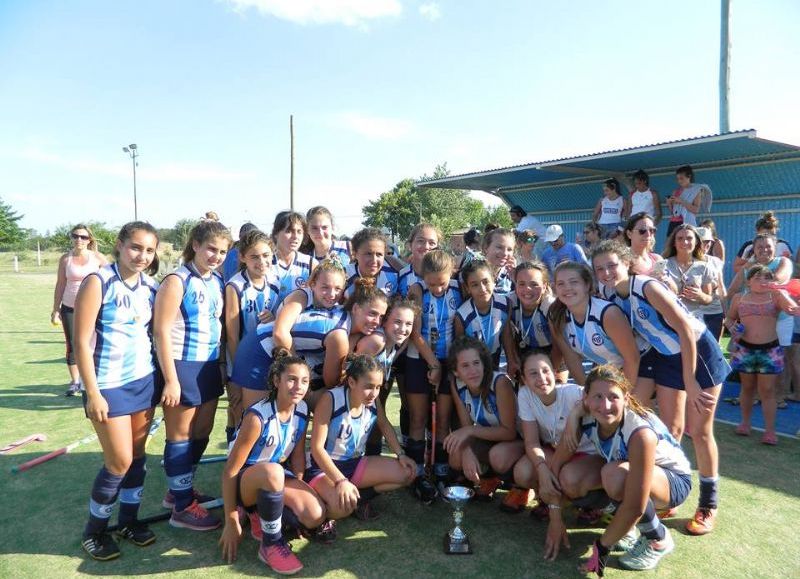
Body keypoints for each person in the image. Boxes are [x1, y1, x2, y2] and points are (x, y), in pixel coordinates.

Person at [590, 240, 730, 536]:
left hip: (698, 353)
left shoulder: (648, 287)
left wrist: (690, 381)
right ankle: (670, 491)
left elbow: (684, 329)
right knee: (671, 429)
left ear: (627, 262)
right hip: (665, 357)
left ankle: (708, 504)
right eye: (599, 268)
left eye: (612, 265)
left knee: (701, 431)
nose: (606, 272)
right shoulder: (608, 293)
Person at [74, 222, 160, 561]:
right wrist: (92, 392)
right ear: (120, 246)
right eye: (135, 247)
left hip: (144, 381)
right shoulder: (98, 281)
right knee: (119, 461)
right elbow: (81, 342)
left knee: (137, 458)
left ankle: (128, 521)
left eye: (149, 250)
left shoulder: (150, 286)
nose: (141, 255)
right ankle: (94, 531)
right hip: (108, 385)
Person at [575, 365, 692, 574]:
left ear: (626, 398)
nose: (605, 405)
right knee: (578, 476)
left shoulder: (640, 433)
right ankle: (627, 527)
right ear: (585, 397)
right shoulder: (586, 416)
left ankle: (659, 539)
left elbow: (636, 504)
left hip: (674, 480)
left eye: (614, 397)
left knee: (614, 475)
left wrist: (602, 546)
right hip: (633, 473)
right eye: (598, 396)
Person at [153, 220, 232, 531]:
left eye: (223, 251)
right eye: (211, 248)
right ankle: (182, 508)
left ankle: (179, 491)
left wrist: (222, 365)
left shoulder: (215, 281)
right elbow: (160, 330)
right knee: (180, 436)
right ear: (196, 245)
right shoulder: (177, 280)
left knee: (202, 431)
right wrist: (171, 379)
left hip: (209, 364)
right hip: (182, 364)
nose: (216, 256)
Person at [220, 353, 326, 575]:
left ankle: (264, 512)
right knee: (273, 471)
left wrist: (293, 501)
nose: (299, 386)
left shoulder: (303, 410)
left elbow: (297, 457)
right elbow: (230, 471)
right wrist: (230, 519)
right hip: (245, 482)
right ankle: (270, 543)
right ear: (277, 381)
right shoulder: (257, 417)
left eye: (304, 381)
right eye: (292, 379)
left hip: (274, 477)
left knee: (314, 515)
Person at [512, 349, 604, 557]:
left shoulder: (573, 393)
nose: (542, 378)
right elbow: (532, 442)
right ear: (524, 379)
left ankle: (598, 505)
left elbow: (602, 399)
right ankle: (553, 500)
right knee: (524, 471)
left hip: (590, 457)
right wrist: (542, 469)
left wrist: (576, 415)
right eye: (533, 373)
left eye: (545, 370)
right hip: (561, 455)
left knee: (568, 478)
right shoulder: (525, 395)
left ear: (555, 373)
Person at [306, 355, 416, 524]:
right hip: (323, 467)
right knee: (341, 508)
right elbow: (317, 448)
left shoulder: (372, 401)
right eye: (369, 387)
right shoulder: (331, 399)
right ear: (351, 382)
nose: (374, 393)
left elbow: (384, 424)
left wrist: (400, 454)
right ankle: (325, 507)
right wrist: (340, 480)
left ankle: (359, 498)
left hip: (354, 463)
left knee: (407, 473)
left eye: (378, 387)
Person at [406, 250, 463, 502]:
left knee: (443, 419)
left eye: (442, 282)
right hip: (420, 359)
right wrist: (433, 365)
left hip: (449, 360)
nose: (437, 288)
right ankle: (417, 473)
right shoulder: (417, 290)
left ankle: (441, 472)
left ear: (450, 274)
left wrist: (446, 366)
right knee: (418, 417)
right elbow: (414, 334)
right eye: (432, 283)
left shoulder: (458, 289)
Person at [726, 265, 798, 445]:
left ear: (772, 281)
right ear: (748, 281)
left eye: (767, 277)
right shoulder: (739, 298)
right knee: (747, 388)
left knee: (767, 391)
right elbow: (729, 318)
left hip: (770, 350)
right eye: (757, 277)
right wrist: (731, 326)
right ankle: (745, 423)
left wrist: (791, 300)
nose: (762, 281)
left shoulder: (776, 296)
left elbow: (791, 309)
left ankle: (770, 431)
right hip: (745, 349)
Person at [443, 337, 517, 501]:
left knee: (499, 456)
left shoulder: (500, 383)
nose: (473, 370)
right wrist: (467, 451)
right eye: (465, 366)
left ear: (484, 363)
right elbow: (466, 425)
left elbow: (510, 432)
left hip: (518, 441)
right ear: (456, 371)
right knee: (456, 453)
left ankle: (521, 487)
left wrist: (469, 431)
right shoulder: (457, 384)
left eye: (476, 363)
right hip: (491, 438)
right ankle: (489, 478)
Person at [223, 229, 280, 441]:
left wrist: (274, 316)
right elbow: (231, 334)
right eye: (254, 257)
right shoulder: (235, 286)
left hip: (267, 358)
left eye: (266, 255)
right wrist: (238, 373)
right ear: (242, 257)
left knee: (266, 411)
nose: (262, 261)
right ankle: (235, 457)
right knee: (240, 411)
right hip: (241, 360)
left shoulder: (275, 281)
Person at [547, 262, 640, 386]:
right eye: (561, 284)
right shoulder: (557, 316)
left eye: (574, 282)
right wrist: (586, 391)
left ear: (587, 285)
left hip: (640, 367)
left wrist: (625, 395)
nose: (567, 287)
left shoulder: (607, 313)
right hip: (611, 372)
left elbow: (632, 359)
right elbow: (572, 359)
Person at [354, 296, 418, 456]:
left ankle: (371, 458)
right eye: (397, 322)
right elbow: (348, 371)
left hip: (364, 398)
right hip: (348, 402)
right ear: (384, 322)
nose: (403, 328)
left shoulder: (397, 342)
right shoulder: (377, 341)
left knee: (377, 419)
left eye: (408, 324)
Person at [52, 224, 108, 395]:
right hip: (70, 308)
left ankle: (95, 379)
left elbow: (111, 279)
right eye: (75, 236)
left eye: (83, 237)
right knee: (73, 344)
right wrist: (56, 309)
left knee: (96, 343)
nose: (79, 240)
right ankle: (75, 381)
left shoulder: (98, 258)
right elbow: (61, 284)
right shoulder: (65, 259)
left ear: (89, 239)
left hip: (94, 308)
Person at [503, 262, 562, 382]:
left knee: (555, 391)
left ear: (545, 286)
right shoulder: (508, 302)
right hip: (524, 350)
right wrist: (512, 360)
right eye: (521, 284)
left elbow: (559, 346)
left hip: (551, 350)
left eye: (534, 284)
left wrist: (551, 371)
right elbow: (506, 334)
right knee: (523, 391)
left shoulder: (551, 307)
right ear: (515, 284)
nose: (527, 289)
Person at [663, 224, 724, 340]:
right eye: (680, 238)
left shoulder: (704, 267)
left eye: (689, 238)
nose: (685, 242)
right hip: (668, 320)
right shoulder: (664, 264)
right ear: (674, 243)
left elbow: (708, 299)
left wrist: (700, 295)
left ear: (696, 242)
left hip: (694, 320)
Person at [454, 260, 510, 369]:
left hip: (495, 358)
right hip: (472, 364)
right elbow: (459, 347)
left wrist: (511, 360)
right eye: (475, 285)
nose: (482, 289)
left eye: (486, 282)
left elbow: (507, 335)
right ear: (467, 288)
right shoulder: (462, 315)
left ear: (494, 280)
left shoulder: (505, 304)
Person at [344, 228, 399, 298]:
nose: (374, 260)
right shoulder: (344, 275)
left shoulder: (394, 276)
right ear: (355, 254)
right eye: (368, 254)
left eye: (379, 254)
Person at [271, 211, 312, 303]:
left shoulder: (311, 263)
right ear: (276, 234)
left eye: (299, 231)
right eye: (289, 231)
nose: (295, 236)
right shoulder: (265, 263)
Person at [665, 165, 709, 237]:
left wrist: (681, 201)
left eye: (681, 178)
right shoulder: (675, 192)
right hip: (673, 222)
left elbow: (696, 210)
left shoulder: (695, 191)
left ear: (689, 177)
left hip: (686, 222)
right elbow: (673, 212)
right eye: (678, 179)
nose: (679, 181)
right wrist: (669, 203)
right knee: (669, 245)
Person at [623, 212, 665, 277]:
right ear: (629, 234)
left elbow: (670, 286)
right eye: (642, 230)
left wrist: (665, 281)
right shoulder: (622, 260)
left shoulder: (658, 259)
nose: (648, 234)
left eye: (652, 230)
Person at [479, 227, 517, 295]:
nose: (505, 253)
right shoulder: (472, 273)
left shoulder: (513, 276)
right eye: (499, 247)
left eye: (509, 249)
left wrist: (516, 279)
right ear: (486, 248)